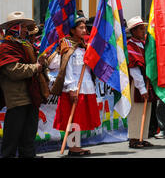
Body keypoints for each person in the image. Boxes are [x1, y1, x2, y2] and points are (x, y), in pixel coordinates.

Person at [0, 12, 48, 158]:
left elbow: (36, 64)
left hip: (32, 97)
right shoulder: (5, 48)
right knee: (11, 139)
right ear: (14, 28)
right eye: (24, 27)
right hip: (17, 99)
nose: (27, 31)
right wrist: (36, 67)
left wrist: (43, 62)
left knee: (28, 139)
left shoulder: (27, 45)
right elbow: (14, 71)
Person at [52, 12, 101, 157]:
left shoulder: (84, 46)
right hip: (74, 88)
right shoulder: (67, 45)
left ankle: (77, 146)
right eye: (81, 28)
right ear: (72, 30)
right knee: (73, 118)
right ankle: (73, 148)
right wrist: (72, 88)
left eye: (85, 27)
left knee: (80, 119)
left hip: (86, 86)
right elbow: (67, 68)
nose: (84, 30)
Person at [126, 16, 156, 148]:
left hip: (146, 81)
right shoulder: (130, 46)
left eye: (144, 28)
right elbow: (134, 70)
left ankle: (142, 137)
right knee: (136, 111)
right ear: (133, 31)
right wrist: (142, 88)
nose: (144, 31)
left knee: (146, 109)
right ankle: (133, 138)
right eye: (140, 29)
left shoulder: (144, 45)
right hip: (137, 84)